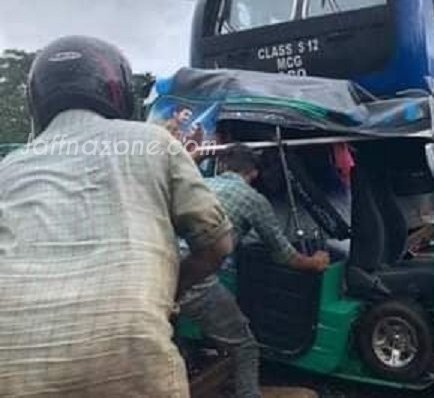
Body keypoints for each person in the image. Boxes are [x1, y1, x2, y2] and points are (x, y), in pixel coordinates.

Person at [0, 36, 234, 397]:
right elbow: (216, 242)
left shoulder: (9, 168)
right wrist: (171, 290)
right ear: (118, 89)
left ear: (37, 100)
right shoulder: (153, 142)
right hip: (129, 356)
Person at [177, 144, 330, 398]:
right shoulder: (253, 200)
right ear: (255, 173)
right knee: (245, 345)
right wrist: (315, 262)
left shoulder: (203, 184)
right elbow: (283, 254)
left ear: (224, 166)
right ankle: (248, 393)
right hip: (196, 279)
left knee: (174, 329)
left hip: (164, 270)